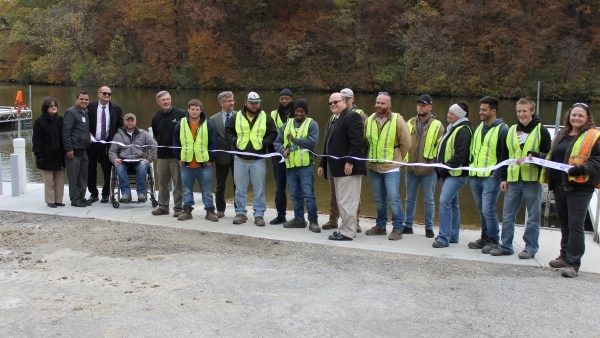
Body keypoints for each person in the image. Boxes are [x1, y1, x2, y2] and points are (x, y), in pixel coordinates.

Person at [535, 103, 600, 277]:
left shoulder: (594, 136)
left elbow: (597, 162)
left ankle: (573, 264)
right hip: (559, 185)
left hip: (579, 188)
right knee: (564, 224)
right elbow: (554, 158)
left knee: (575, 225)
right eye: (574, 115)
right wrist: (536, 157)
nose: (576, 118)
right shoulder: (562, 135)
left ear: (587, 118)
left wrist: (578, 169)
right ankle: (564, 256)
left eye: (580, 115)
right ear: (569, 116)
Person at [490, 98, 551, 258]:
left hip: (532, 180)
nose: (521, 114)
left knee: (532, 216)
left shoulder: (541, 130)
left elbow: (549, 156)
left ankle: (530, 248)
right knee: (508, 215)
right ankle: (506, 245)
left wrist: (535, 156)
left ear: (532, 111)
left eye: (525, 111)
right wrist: (503, 178)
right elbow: (505, 155)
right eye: (519, 111)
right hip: (512, 180)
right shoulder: (511, 131)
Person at [317, 92, 367, 241]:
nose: (333, 104)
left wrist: (350, 161)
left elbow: (356, 141)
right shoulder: (335, 119)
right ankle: (344, 228)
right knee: (342, 201)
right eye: (330, 103)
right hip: (337, 168)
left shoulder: (352, 117)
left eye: (336, 102)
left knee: (348, 201)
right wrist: (323, 164)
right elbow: (328, 144)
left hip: (348, 169)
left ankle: (348, 232)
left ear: (344, 102)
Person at [225, 92, 278, 226]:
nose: (254, 106)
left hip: (258, 159)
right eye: (251, 103)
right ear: (245, 103)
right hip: (240, 158)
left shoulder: (265, 117)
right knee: (240, 188)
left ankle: (259, 215)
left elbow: (273, 133)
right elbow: (228, 131)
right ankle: (240, 213)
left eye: (256, 103)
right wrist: (235, 141)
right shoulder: (236, 117)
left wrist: (265, 143)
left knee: (259, 189)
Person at [364, 92, 411, 240]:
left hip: (391, 167)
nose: (379, 106)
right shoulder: (369, 120)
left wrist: (397, 159)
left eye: (382, 103)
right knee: (379, 199)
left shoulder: (397, 120)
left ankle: (398, 228)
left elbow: (407, 143)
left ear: (389, 105)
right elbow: (366, 141)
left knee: (393, 198)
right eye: (377, 103)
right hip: (374, 167)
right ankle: (381, 226)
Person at [467, 96, 509, 253]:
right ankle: (484, 237)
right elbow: (474, 151)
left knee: (488, 209)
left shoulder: (503, 129)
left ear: (493, 111)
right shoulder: (479, 128)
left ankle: (493, 239)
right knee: (480, 208)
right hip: (476, 175)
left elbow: (505, 155)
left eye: (484, 110)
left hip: (491, 177)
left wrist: (498, 173)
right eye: (480, 109)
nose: (480, 112)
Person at [273, 98, 320, 233]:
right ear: (294, 111)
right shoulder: (286, 125)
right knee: (294, 194)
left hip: (306, 166)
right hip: (291, 166)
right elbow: (277, 142)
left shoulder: (312, 124)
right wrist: (282, 150)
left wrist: (294, 140)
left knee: (309, 194)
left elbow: (312, 143)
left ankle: (313, 220)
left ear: (306, 112)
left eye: (302, 111)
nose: (299, 113)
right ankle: (299, 219)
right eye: (297, 111)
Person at [432, 102, 473, 248]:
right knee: (453, 203)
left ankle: (443, 237)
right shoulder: (452, 128)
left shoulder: (463, 131)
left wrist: (443, 168)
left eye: (452, 113)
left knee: (444, 201)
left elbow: (460, 156)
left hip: (456, 174)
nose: (448, 115)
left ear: (460, 115)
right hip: (448, 173)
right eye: (448, 112)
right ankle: (453, 235)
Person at [404, 94, 444, 238]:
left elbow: (441, 148)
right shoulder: (409, 122)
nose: (420, 107)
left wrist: (435, 165)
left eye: (423, 105)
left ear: (430, 107)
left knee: (429, 200)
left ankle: (429, 228)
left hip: (429, 171)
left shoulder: (437, 125)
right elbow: (403, 142)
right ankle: (408, 225)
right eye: (419, 104)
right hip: (411, 169)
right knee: (409, 198)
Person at [173, 99, 219, 222]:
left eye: (197, 109)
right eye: (192, 109)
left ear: (201, 110)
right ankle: (187, 210)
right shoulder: (180, 124)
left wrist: (211, 159)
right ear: (188, 109)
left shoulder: (208, 124)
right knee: (186, 189)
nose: (194, 112)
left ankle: (210, 211)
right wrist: (178, 157)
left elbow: (213, 143)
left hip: (204, 163)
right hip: (186, 163)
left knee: (206, 189)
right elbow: (176, 142)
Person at [108, 113, 157, 203]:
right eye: (128, 121)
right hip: (124, 160)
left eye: (132, 121)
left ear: (135, 122)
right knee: (119, 167)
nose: (130, 123)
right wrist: (115, 159)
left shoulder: (143, 134)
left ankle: (141, 193)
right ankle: (126, 194)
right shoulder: (118, 136)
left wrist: (148, 159)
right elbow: (112, 151)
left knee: (143, 165)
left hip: (139, 160)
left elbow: (154, 146)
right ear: (124, 122)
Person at [151, 91, 186, 217]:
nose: (166, 102)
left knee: (178, 183)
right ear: (158, 102)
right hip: (162, 155)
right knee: (163, 182)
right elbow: (156, 134)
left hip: (176, 156)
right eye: (163, 100)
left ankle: (178, 208)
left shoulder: (180, 114)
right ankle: (163, 206)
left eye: (167, 99)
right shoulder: (156, 117)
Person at [86, 86, 123, 203]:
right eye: (104, 93)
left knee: (108, 169)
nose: (107, 95)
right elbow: (84, 122)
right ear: (99, 94)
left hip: (107, 143)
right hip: (92, 143)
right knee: (90, 169)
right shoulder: (90, 107)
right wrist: (87, 132)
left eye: (109, 94)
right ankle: (93, 193)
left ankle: (106, 194)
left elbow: (120, 125)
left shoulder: (116, 108)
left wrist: (114, 136)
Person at [32, 97, 65, 208]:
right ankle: (50, 200)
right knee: (49, 181)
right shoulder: (39, 122)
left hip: (59, 155)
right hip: (46, 155)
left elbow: (65, 137)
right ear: (45, 108)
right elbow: (36, 140)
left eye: (55, 105)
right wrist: (39, 155)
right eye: (51, 106)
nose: (54, 107)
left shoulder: (60, 120)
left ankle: (58, 200)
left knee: (60, 180)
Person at [210, 91, 237, 218]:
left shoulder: (240, 116)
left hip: (237, 155)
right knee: (220, 184)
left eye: (233, 100)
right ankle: (220, 209)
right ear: (221, 103)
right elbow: (212, 140)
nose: (232, 103)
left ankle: (240, 210)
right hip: (221, 156)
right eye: (229, 101)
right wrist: (212, 157)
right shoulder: (213, 119)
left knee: (239, 184)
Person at [268, 89, 294, 225]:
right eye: (282, 98)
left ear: (291, 99)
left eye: (287, 98)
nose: (284, 101)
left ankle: (299, 216)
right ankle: (281, 215)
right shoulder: (273, 114)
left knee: (296, 187)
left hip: (294, 155)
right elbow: (271, 134)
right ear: (279, 100)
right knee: (280, 188)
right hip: (278, 155)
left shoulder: (298, 113)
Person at [62, 91, 92, 207]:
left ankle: (81, 196)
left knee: (83, 175)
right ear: (76, 99)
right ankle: (75, 199)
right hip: (73, 150)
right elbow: (66, 131)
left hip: (84, 149)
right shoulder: (71, 112)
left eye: (86, 99)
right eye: (81, 99)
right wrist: (69, 149)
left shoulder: (86, 113)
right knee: (74, 176)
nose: (84, 101)